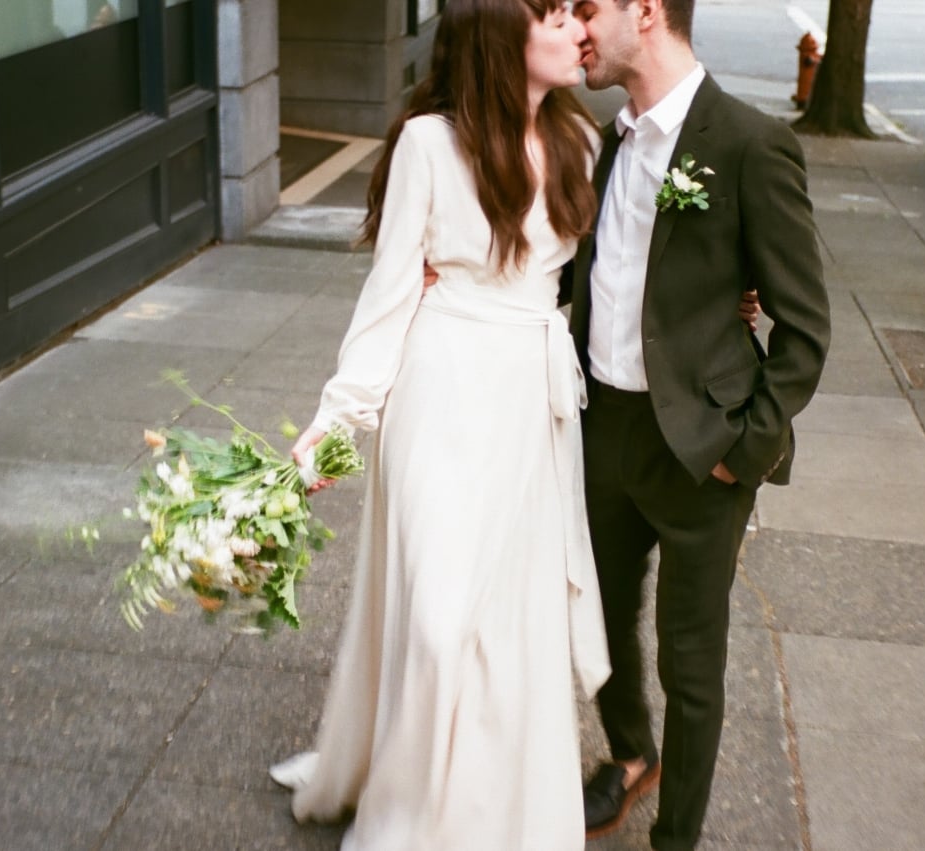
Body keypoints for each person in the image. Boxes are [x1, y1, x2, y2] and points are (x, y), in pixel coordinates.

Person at [269, 2, 612, 849]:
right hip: (440, 389)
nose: (579, 30)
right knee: (435, 617)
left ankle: (489, 807)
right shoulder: (428, 144)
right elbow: (387, 295)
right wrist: (334, 427)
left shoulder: (582, 141)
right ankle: (409, 813)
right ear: (503, 35)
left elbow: (592, 283)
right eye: (558, 16)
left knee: (507, 614)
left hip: (530, 402)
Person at [568, 1, 831, 848]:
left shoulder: (750, 144)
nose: (574, 26)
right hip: (599, 422)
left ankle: (674, 836)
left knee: (691, 660)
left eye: (586, 8)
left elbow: (805, 328)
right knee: (600, 623)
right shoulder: (604, 136)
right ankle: (629, 753)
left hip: (698, 450)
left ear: (644, 11)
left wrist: (741, 452)